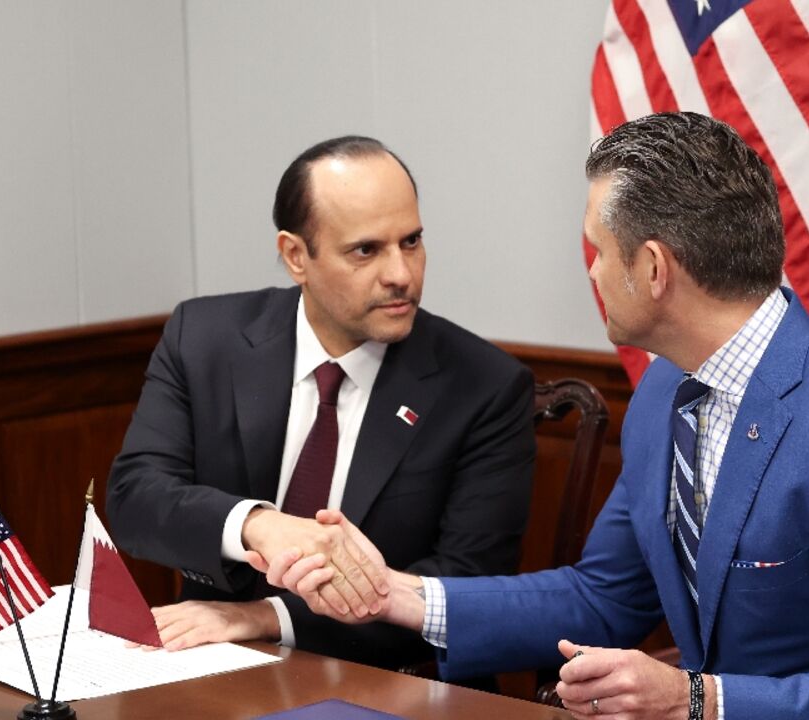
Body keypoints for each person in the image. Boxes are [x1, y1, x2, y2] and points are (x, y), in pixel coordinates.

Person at [263, 113, 809, 719]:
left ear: (655, 269)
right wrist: (394, 594)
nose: (593, 271)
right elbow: (603, 598)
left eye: (599, 251)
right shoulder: (667, 392)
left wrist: (694, 700)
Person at [105, 136, 536, 670]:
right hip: (205, 665)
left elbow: (465, 582)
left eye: (412, 241)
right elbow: (136, 497)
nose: (401, 274)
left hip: (385, 678)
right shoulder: (205, 339)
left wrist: (265, 617)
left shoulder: (484, 385)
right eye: (366, 250)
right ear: (295, 256)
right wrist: (259, 525)